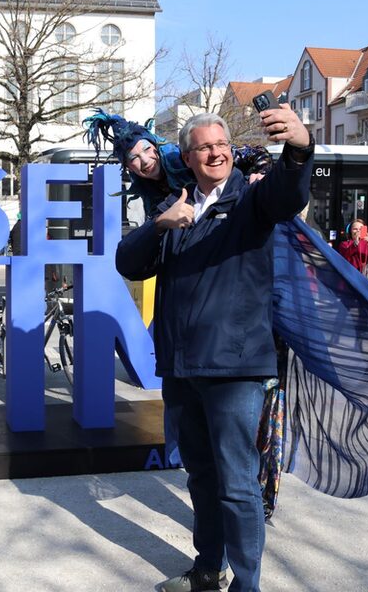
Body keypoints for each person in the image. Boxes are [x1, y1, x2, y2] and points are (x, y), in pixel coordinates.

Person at [115, 109, 313, 592]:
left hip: (235, 366)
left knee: (238, 483)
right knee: (201, 478)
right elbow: (129, 263)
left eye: (220, 143)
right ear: (186, 157)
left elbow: (289, 192)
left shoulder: (250, 199)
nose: (215, 151)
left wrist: (301, 146)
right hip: (183, 367)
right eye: (203, 147)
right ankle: (208, 568)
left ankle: (248, 585)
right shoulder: (175, 205)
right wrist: (160, 225)